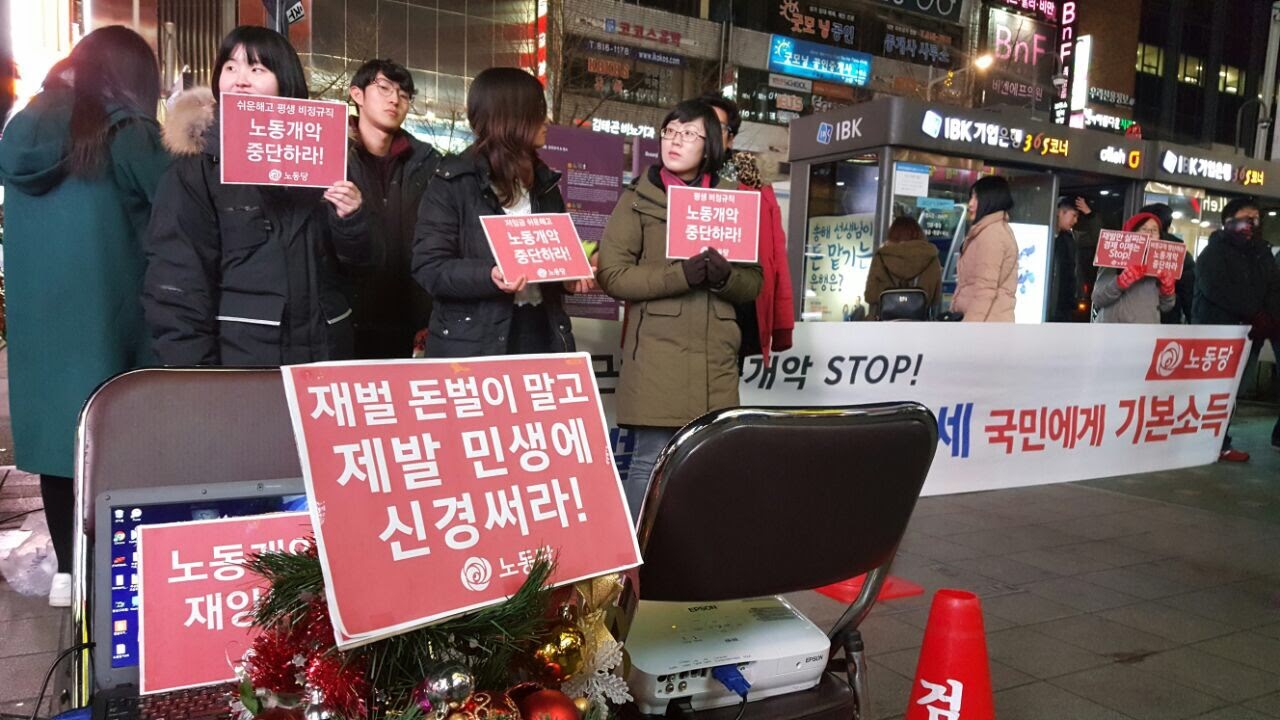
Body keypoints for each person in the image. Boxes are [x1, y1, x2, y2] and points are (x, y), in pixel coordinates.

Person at [0, 26, 172, 606]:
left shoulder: (21, 132)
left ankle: (70, 575)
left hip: (40, 329)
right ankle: (119, 571)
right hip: (113, 323)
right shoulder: (126, 132)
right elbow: (177, 211)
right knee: (116, 440)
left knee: (58, 444)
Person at [144, 26, 371, 366]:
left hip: (324, 361)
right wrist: (193, 378)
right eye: (230, 67)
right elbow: (177, 285)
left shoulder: (328, 157)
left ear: (286, 80)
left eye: (257, 69)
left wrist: (351, 220)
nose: (240, 80)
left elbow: (363, 266)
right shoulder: (198, 168)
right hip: (241, 366)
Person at [597, 99, 763, 521]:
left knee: (710, 464)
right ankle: (634, 568)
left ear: (711, 145)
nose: (676, 140)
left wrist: (726, 276)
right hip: (657, 354)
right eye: (670, 131)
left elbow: (753, 284)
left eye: (689, 133)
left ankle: (694, 561)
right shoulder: (638, 199)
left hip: (715, 358)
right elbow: (613, 275)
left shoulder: (733, 201)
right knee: (648, 461)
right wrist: (680, 275)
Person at [413, 67, 584, 358]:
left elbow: (549, 260)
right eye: (538, 111)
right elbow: (428, 267)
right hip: (472, 342)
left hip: (541, 335)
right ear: (511, 118)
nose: (547, 121)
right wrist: (489, 275)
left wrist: (569, 275)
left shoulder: (545, 185)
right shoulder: (452, 182)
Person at [345, 59, 442, 358]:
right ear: (357, 94)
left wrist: (427, 315)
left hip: (408, 320)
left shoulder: (428, 162)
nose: (394, 99)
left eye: (403, 94)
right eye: (384, 87)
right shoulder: (331, 156)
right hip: (345, 318)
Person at [699, 93, 794, 364]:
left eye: (716, 127)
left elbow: (775, 255)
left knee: (724, 398)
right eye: (698, 125)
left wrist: (781, 324)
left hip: (737, 311)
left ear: (730, 138)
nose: (706, 135)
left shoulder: (756, 188)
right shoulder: (666, 181)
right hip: (678, 316)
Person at [1192, 197, 1280, 462]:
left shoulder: (1262, 252)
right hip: (1218, 332)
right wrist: (1253, 312)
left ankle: (1221, 440)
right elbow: (1217, 288)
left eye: (1255, 218)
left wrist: (1268, 318)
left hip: (1250, 334)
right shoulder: (1214, 251)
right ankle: (1200, 441)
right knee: (1211, 390)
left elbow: (1273, 288)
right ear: (1228, 221)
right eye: (1245, 217)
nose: (1250, 223)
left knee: (1233, 392)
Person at [951, 176, 1018, 322]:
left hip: (986, 326)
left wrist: (970, 328)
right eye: (971, 198)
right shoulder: (989, 230)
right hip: (989, 323)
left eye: (976, 198)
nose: (970, 204)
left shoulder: (992, 234)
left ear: (990, 200)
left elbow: (985, 289)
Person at [1091, 212, 1176, 324]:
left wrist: (1168, 292)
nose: (1149, 233)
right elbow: (1098, 299)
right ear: (1131, 233)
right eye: (1144, 229)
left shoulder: (1163, 264)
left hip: (1145, 333)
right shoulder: (1114, 258)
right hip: (1112, 332)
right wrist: (1120, 283)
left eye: (1154, 230)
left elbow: (1166, 307)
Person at [864, 216, 942, 320]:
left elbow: (870, 295)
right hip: (920, 325)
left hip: (884, 325)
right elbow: (936, 299)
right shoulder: (931, 258)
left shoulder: (882, 257)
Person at [1141, 202, 1196, 325]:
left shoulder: (1130, 249)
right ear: (1169, 225)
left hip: (1128, 324)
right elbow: (1189, 295)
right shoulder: (1180, 254)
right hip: (1168, 323)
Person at [1049, 195, 1092, 322]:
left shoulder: (1071, 238)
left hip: (1065, 303)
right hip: (1049, 300)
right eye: (1074, 216)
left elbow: (1097, 238)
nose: (1076, 221)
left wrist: (1089, 214)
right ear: (1060, 212)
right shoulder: (1045, 234)